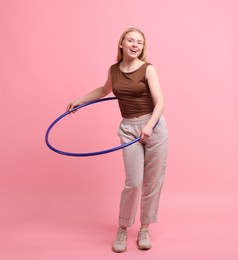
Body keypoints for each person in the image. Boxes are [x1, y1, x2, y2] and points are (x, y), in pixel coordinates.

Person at [66, 27, 168, 253]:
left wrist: (149, 126)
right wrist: (79, 101)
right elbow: (104, 90)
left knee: (153, 181)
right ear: (121, 44)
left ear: (143, 47)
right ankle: (123, 227)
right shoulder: (114, 70)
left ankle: (144, 228)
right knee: (134, 181)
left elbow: (160, 102)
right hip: (129, 129)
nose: (135, 45)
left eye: (139, 42)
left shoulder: (148, 69)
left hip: (154, 127)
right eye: (130, 40)